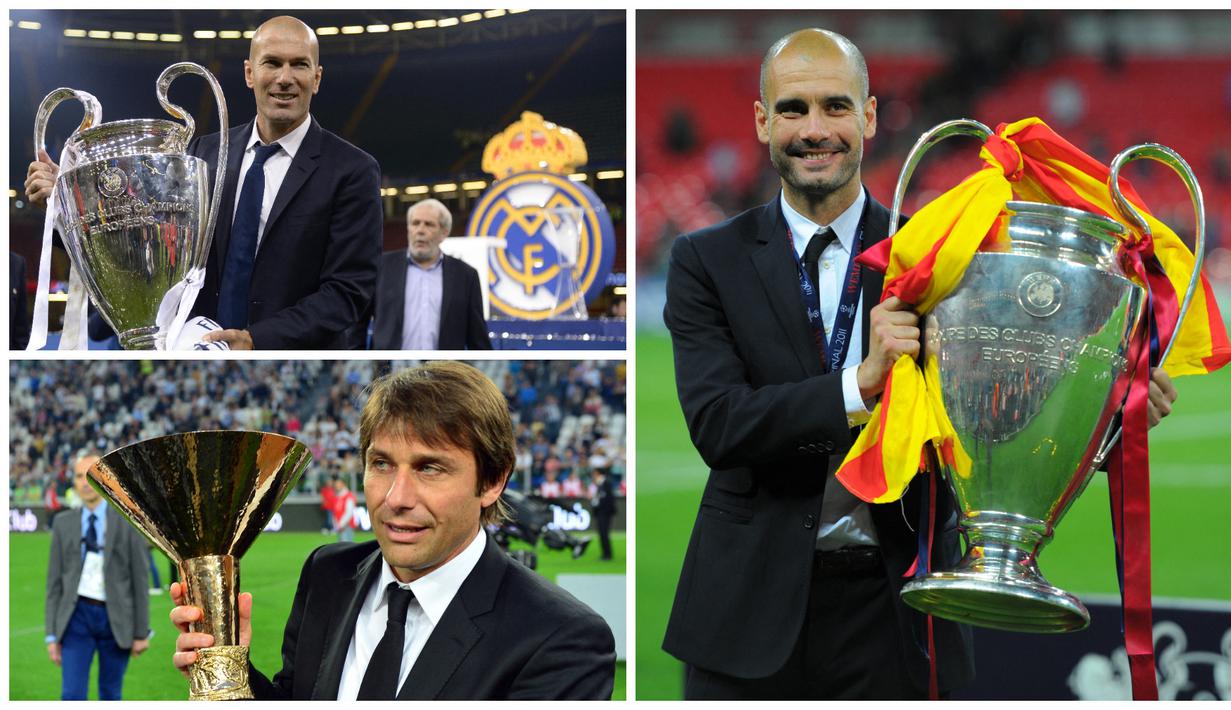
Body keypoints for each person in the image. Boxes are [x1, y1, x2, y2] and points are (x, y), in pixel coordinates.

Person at [660, 28, 1175, 700]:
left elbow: (996, 418)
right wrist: (858, 384)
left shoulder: (945, 254)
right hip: (745, 614)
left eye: (835, 107)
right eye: (792, 109)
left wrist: (1105, 411)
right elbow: (718, 426)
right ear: (762, 122)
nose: (815, 129)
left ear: (870, 116)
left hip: (901, 610)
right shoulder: (705, 260)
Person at [170, 361, 615, 699]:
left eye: (430, 468)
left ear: (492, 481)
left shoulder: (560, 638)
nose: (396, 497)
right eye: (381, 464)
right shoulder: (328, 574)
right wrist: (228, 669)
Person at [24, 15, 381, 350]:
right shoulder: (203, 154)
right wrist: (70, 204)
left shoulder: (352, 170)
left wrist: (256, 339)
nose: (285, 77)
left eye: (299, 64)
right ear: (249, 73)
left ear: (316, 78)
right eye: (272, 62)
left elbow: (347, 293)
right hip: (190, 348)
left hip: (283, 354)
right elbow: (144, 240)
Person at [45, 452, 151, 699]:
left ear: (104, 478)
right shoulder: (63, 524)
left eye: (90, 475)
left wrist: (141, 631)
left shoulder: (127, 520)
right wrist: (52, 634)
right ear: (73, 482)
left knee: (111, 694)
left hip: (115, 618)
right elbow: (54, 583)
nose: (85, 482)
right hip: (76, 618)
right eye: (80, 476)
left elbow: (140, 579)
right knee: (71, 694)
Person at [370, 199, 492, 350]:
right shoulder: (382, 267)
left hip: (443, 371)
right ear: (408, 228)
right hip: (389, 370)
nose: (420, 230)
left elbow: (478, 340)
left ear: (444, 233)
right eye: (415, 223)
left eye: (429, 224)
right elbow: (358, 324)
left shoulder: (466, 276)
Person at [589, 468, 615, 562]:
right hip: (601, 512)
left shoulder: (605, 483)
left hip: (604, 512)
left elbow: (607, 499)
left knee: (604, 533)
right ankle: (605, 553)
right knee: (602, 533)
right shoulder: (601, 484)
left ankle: (607, 554)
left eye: (595, 474)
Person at [331, 476, 358, 542]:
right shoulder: (337, 496)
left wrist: (341, 524)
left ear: (343, 484)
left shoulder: (348, 496)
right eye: (336, 484)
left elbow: (349, 513)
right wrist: (336, 524)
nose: (337, 486)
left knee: (346, 546)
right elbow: (335, 512)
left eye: (339, 484)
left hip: (346, 526)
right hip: (339, 526)